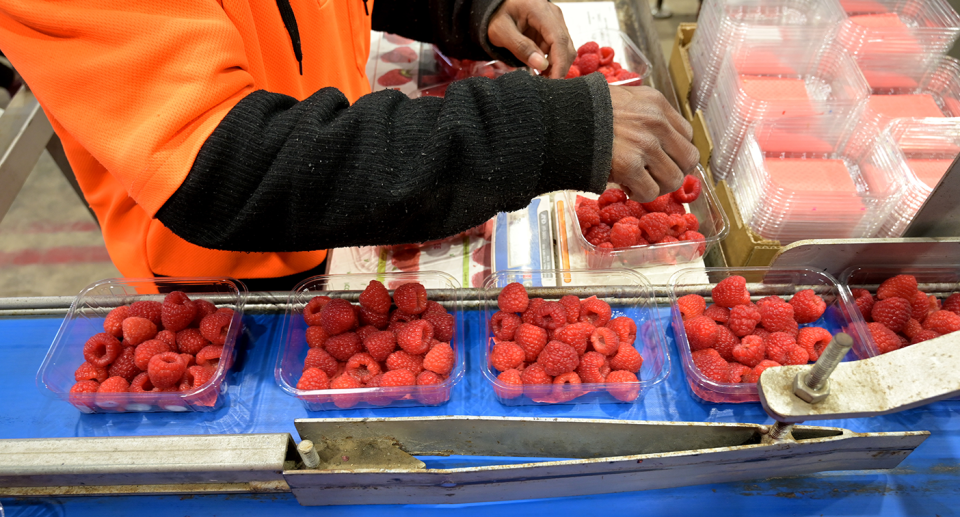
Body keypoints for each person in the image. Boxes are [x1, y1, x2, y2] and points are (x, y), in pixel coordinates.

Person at [0, 0, 698, 290]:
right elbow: (234, 169)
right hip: (245, 270)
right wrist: (545, 128)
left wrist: (465, 10)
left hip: (363, 164)